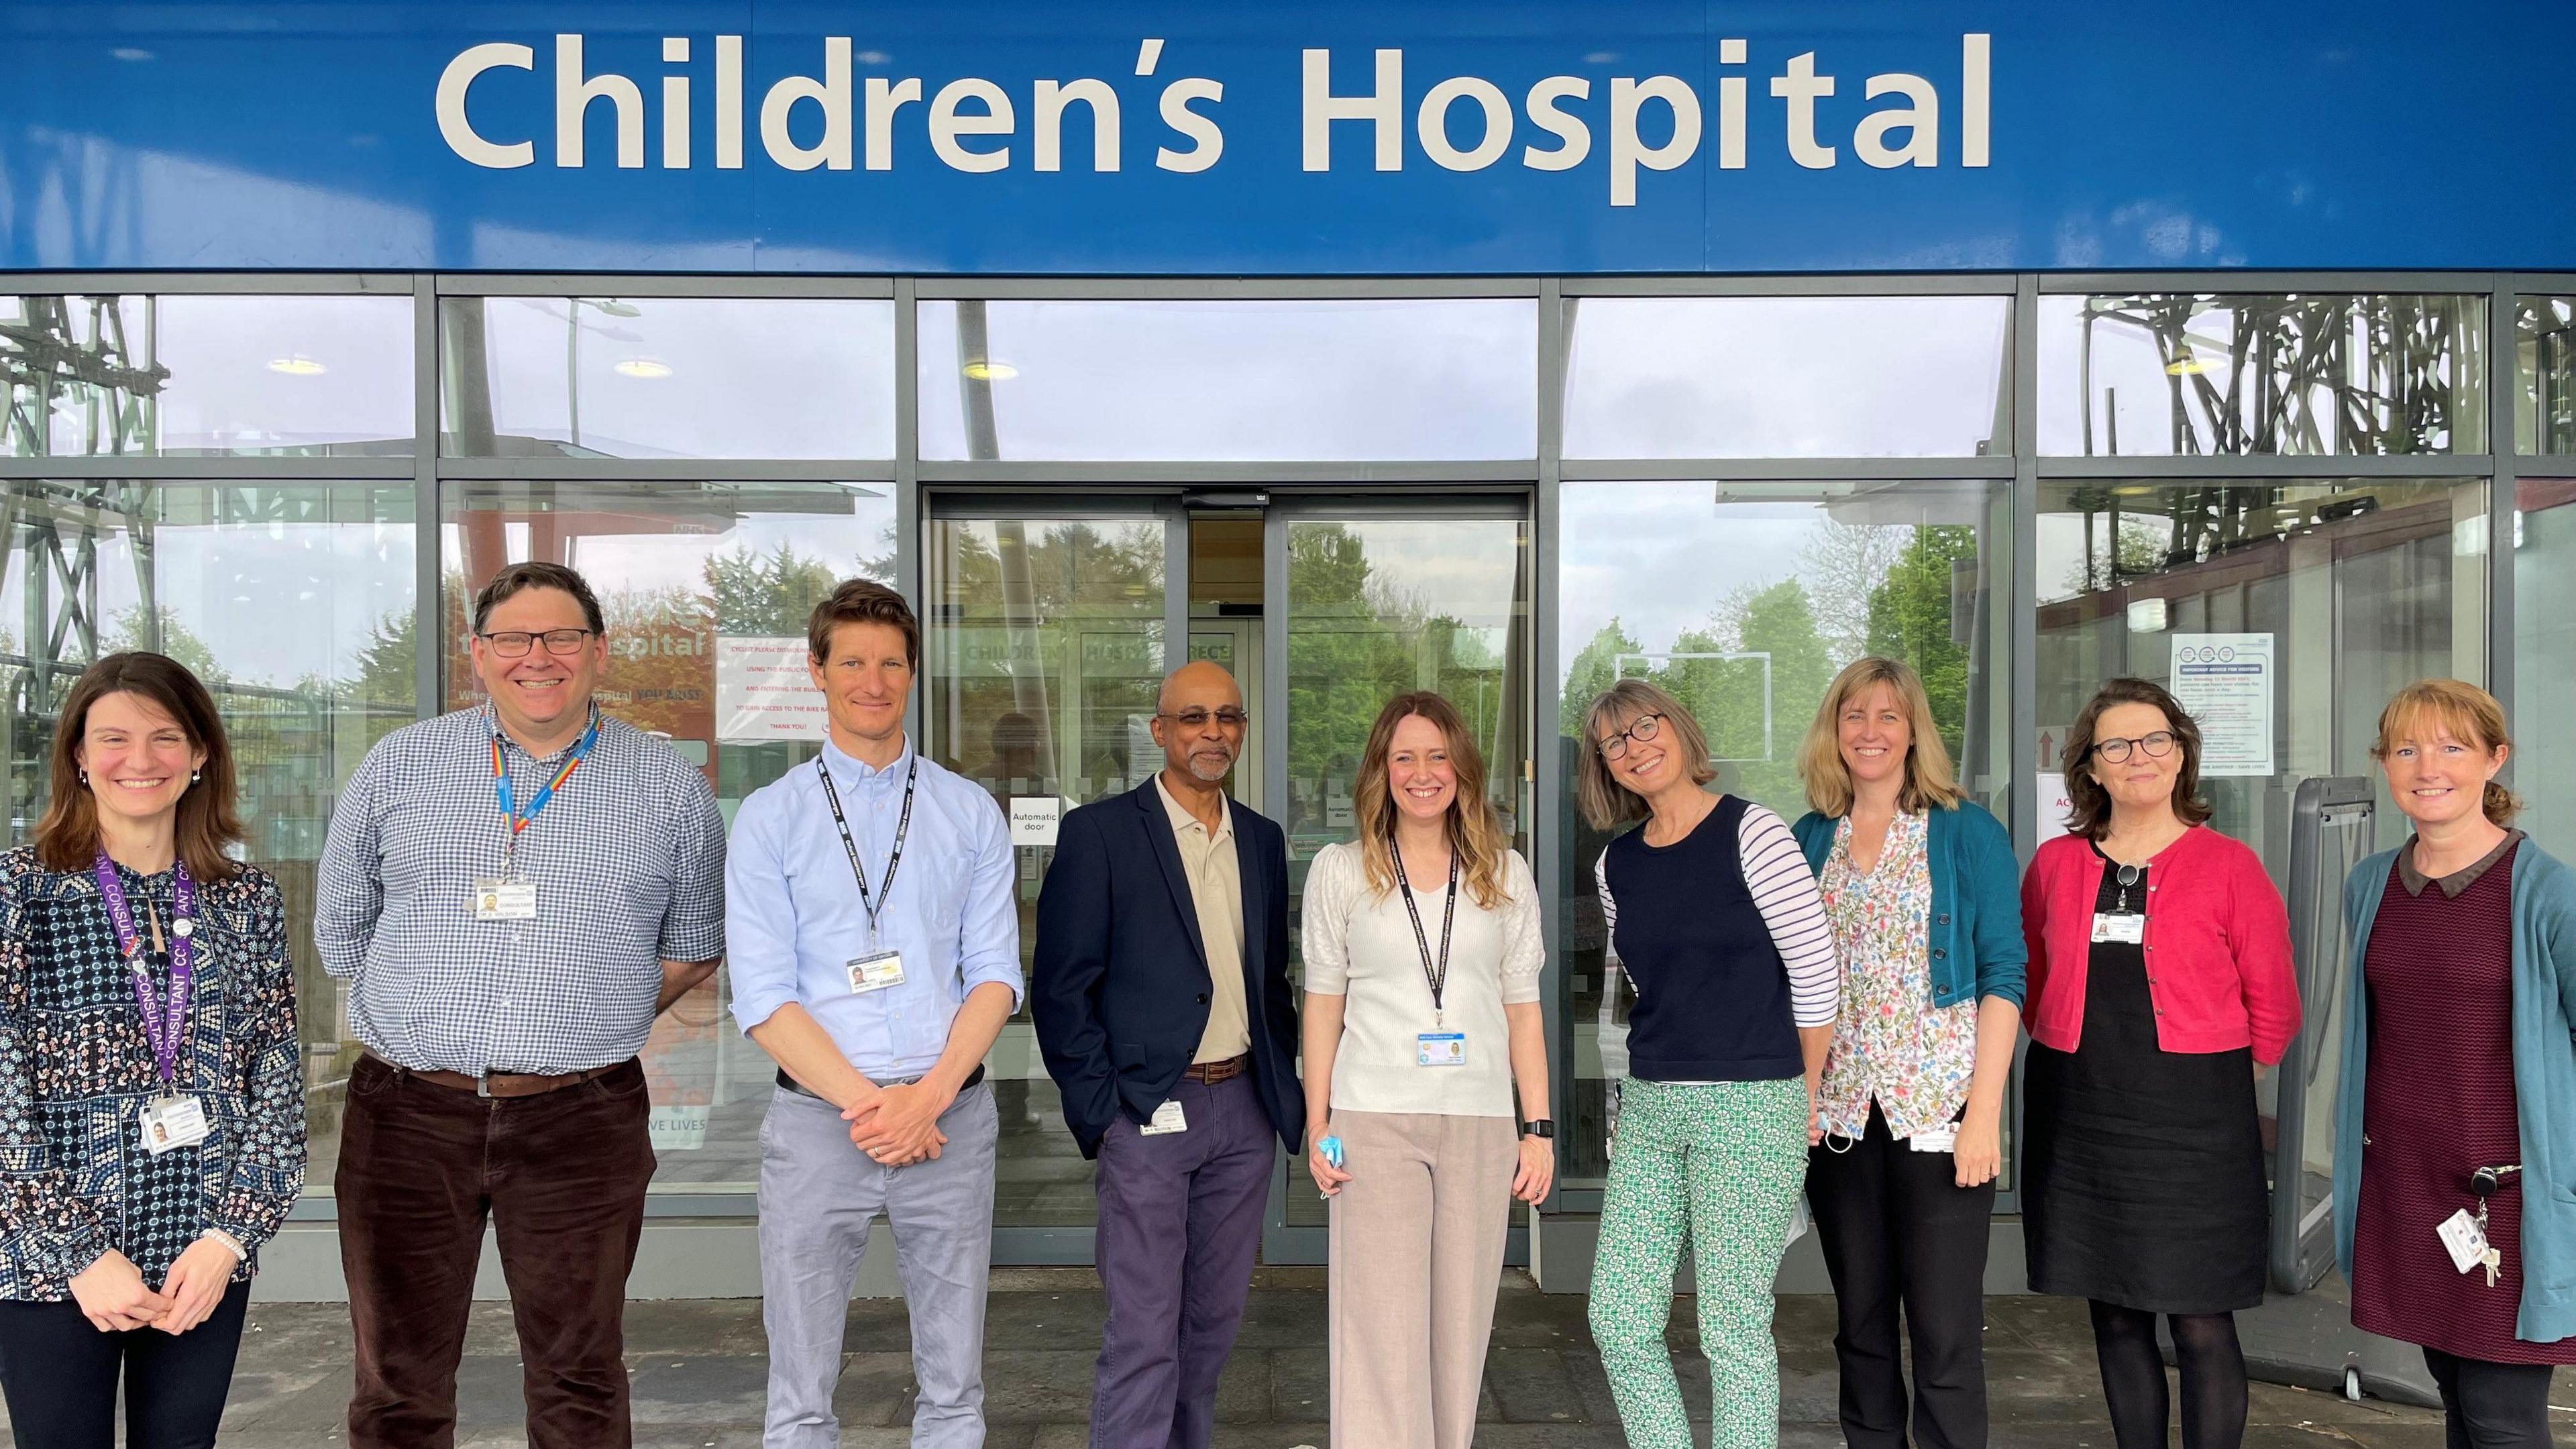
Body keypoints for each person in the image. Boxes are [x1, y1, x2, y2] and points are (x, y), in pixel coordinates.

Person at [315, 561, 727, 1449]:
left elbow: (696, 941)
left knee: (579, 1374)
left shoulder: (667, 786)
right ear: (478, 654)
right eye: (513, 638)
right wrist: (425, 1011)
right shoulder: (401, 764)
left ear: (599, 652)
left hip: (582, 1118)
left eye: (562, 637)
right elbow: (343, 929)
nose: (537, 657)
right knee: (397, 1381)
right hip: (408, 1114)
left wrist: (591, 1010)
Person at [727, 578, 1020, 1449]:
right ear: (816, 672)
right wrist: (876, 1108)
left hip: (948, 1124)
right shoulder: (770, 819)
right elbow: (763, 997)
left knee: (956, 1385)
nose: (873, 680)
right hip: (822, 1126)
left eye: (892, 663)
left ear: (913, 675)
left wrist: (925, 1099)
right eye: (851, 661)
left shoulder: (967, 812)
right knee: (801, 1394)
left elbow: (997, 978)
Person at [0, 653, 303, 1449]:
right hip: (51, 1261)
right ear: (77, 756)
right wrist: (78, 1253)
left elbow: (274, 1078)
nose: (141, 761)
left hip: (200, 1257)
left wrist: (230, 1238)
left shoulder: (246, 899)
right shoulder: (16, 894)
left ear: (201, 754)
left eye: (166, 738)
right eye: (113, 739)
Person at [2019, 677, 2298, 1449]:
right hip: (2081, 1115)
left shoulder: (2230, 866)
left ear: (2181, 757)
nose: (2138, 757)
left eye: (2156, 741)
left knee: (2203, 1322)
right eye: (2117, 745)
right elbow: (2034, 983)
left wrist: (2228, 1083)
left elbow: (2274, 1002)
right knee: (2114, 1315)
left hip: (2197, 1122)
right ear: (2092, 769)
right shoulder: (2054, 867)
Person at [1031, 659, 1302, 1449]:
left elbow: (1270, 982)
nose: (1212, 732)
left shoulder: (1261, 839)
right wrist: (1105, 1111)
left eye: (1227, 717)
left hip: (1242, 1112)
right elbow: (1061, 989)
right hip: (1146, 1108)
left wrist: (1282, 1091)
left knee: (1212, 1327)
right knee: (1144, 1332)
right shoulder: (1101, 834)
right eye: (1193, 717)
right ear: (1160, 731)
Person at [1578, 678, 1838, 1449]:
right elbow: (1638, 993)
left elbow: (1817, 976)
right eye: (1614, 742)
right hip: (1654, 1107)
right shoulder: (1615, 865)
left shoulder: (1752, 832)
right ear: (1605, 766)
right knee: (1618, 1318)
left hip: (1754, 1103)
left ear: (1681, 730)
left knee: (1731, 1327)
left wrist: (1804, 1098)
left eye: (1646, 726)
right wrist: (1624, 1113)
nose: (1635, 748)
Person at [1299, 690, 1553, 1449]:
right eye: (1403, 756)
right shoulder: (1340, 872)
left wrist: (1536, 1129)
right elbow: (1321, 1008)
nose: (1421, 772)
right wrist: (1321, 1128)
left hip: (1479, 1122)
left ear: (1462, 769)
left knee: (1460, 1324)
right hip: (1371, 1120)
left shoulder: (1504, 874)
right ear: (1381, 771)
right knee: (1380, 1328)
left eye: (1437, 755)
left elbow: (1524, 1013)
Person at [1789, 658, 2025, 1449]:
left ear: (1914, 731)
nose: (1870, 732)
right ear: (1834, 730)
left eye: (1889, 716)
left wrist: (1983, 1118)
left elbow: (2003, 976)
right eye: (1855, 716)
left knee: (1945, 1334)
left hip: (1939, 1118)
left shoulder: (1965, 830)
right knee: (1859, 1328)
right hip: (1840, 1119)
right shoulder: (1808, 836)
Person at [2333, 680, 2576, 1447]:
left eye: (2452, 747)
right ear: (2383, 765)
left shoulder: (2546, 894)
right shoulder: (2370, 884)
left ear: (2495, 761)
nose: (2426, 766)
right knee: (2459, 1404)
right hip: (2409, 1188)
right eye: (2406, 749)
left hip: (2506, 1197)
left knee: (2503, 1416)